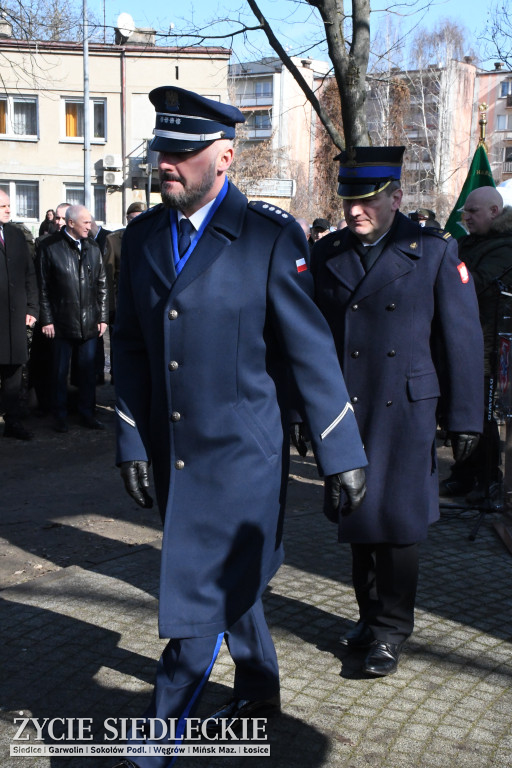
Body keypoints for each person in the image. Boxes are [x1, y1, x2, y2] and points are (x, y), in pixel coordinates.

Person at [111, 86, 367, 768]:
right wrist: (131, 437)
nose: (165, 163)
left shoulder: (267, 236)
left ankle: (156, 739)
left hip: (244, 458)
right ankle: (258, 689)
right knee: (232, 581)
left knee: (199, 597)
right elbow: (131, 346)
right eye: (162, 149)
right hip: (176, 454)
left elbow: (309, 351)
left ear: (224, 157)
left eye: (182, 152)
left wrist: (341, 450)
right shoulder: (142, 238)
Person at [311, 146, 484, 677]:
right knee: (358, 517)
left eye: (367, 201)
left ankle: (391, 630)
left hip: (406, 409)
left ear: (396, 198)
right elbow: (309, 339)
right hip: (346, 408)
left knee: (398, 526)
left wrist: (465, 418)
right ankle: (369, 617)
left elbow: (461, 341)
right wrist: (300, 411)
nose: (354, 211)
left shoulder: (432, 250)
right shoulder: (328, 252)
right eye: (348, 201)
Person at [440, 186, 512, 502]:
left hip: (487, 343)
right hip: (457, 337)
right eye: (464, 212)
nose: (466, 218)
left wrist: (447, 268)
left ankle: (488, 477)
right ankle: (463, 474)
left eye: (472, 212)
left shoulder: (505, 246)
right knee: (455, 407)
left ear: (494, 212)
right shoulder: (467, 242)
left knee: (480, 412)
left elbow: (476, 283)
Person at [36, 205, 108, 432]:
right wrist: (47, 319)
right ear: (71, 223)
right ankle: (59, 415)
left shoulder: (92, 247)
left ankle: (87, 413)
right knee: (59, 372)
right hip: (61, 321)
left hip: (89, 321)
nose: (90, 226)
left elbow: (102, 284)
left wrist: (102, 317)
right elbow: (42, 287)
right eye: (85, 222)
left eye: (90, 221)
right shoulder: (49, 247)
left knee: (87, 372)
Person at [0, 190, 38, 440]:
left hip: (14, 318)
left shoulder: (15, 234)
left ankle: (12, 422)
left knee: (13, 373)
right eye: (3, 206)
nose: (8, 209)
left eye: (8, 205)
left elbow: (29, 274)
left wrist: (32, 308)